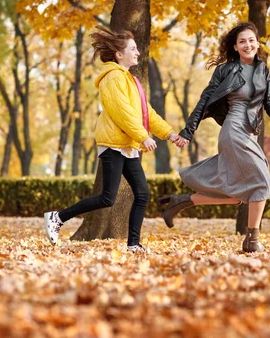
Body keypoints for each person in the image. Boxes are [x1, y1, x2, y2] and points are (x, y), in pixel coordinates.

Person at [44, 26, 186, 252]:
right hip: (113, 144)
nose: (138, 52)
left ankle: (133, 245)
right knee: (108, 198)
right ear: (119, 54)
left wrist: (170, 134)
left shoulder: (130, 80)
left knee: (142, 194)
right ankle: (57, 217)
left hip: (126, 144)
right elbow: (122, 112)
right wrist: (142, 136)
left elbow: (145, 112)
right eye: (133, 49)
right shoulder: (112, 78)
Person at [160, 21, 270, 253]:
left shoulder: (262, 69)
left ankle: (183, 201)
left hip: (250, 132)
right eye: (242, 42)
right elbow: (204, 101)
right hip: (233, 130)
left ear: (257, 44)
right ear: (235, 47)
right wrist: (188, 131)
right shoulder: (225, 71)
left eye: (251, 40)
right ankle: (253, 240)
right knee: (262, 183)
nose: (247, 45)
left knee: (238, 194)